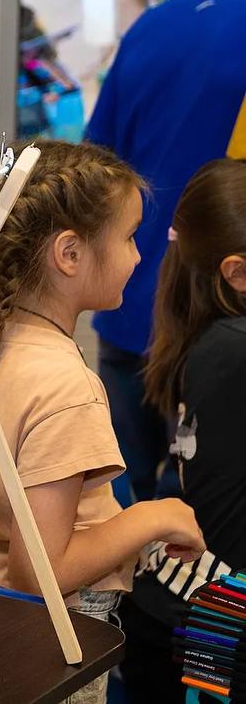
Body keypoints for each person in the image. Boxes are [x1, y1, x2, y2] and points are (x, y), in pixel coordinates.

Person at [0, 140, 204, 704]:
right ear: (70, 253)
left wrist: (0, 500)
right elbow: (40, 573)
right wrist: (152, 516)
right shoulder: (67, 388)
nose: (138, 257)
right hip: (53, 640)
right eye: (129, 237)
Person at [85, 0, 246, 503]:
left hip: (131, 307)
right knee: (208, 527)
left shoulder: (150, 29)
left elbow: (95, 167)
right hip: (226, 327)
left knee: (112, 509)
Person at [118, 158, 246, 703]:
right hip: (208, 622)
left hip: (192, 609)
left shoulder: (216, 337)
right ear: (236, 273)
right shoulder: (235, 346)